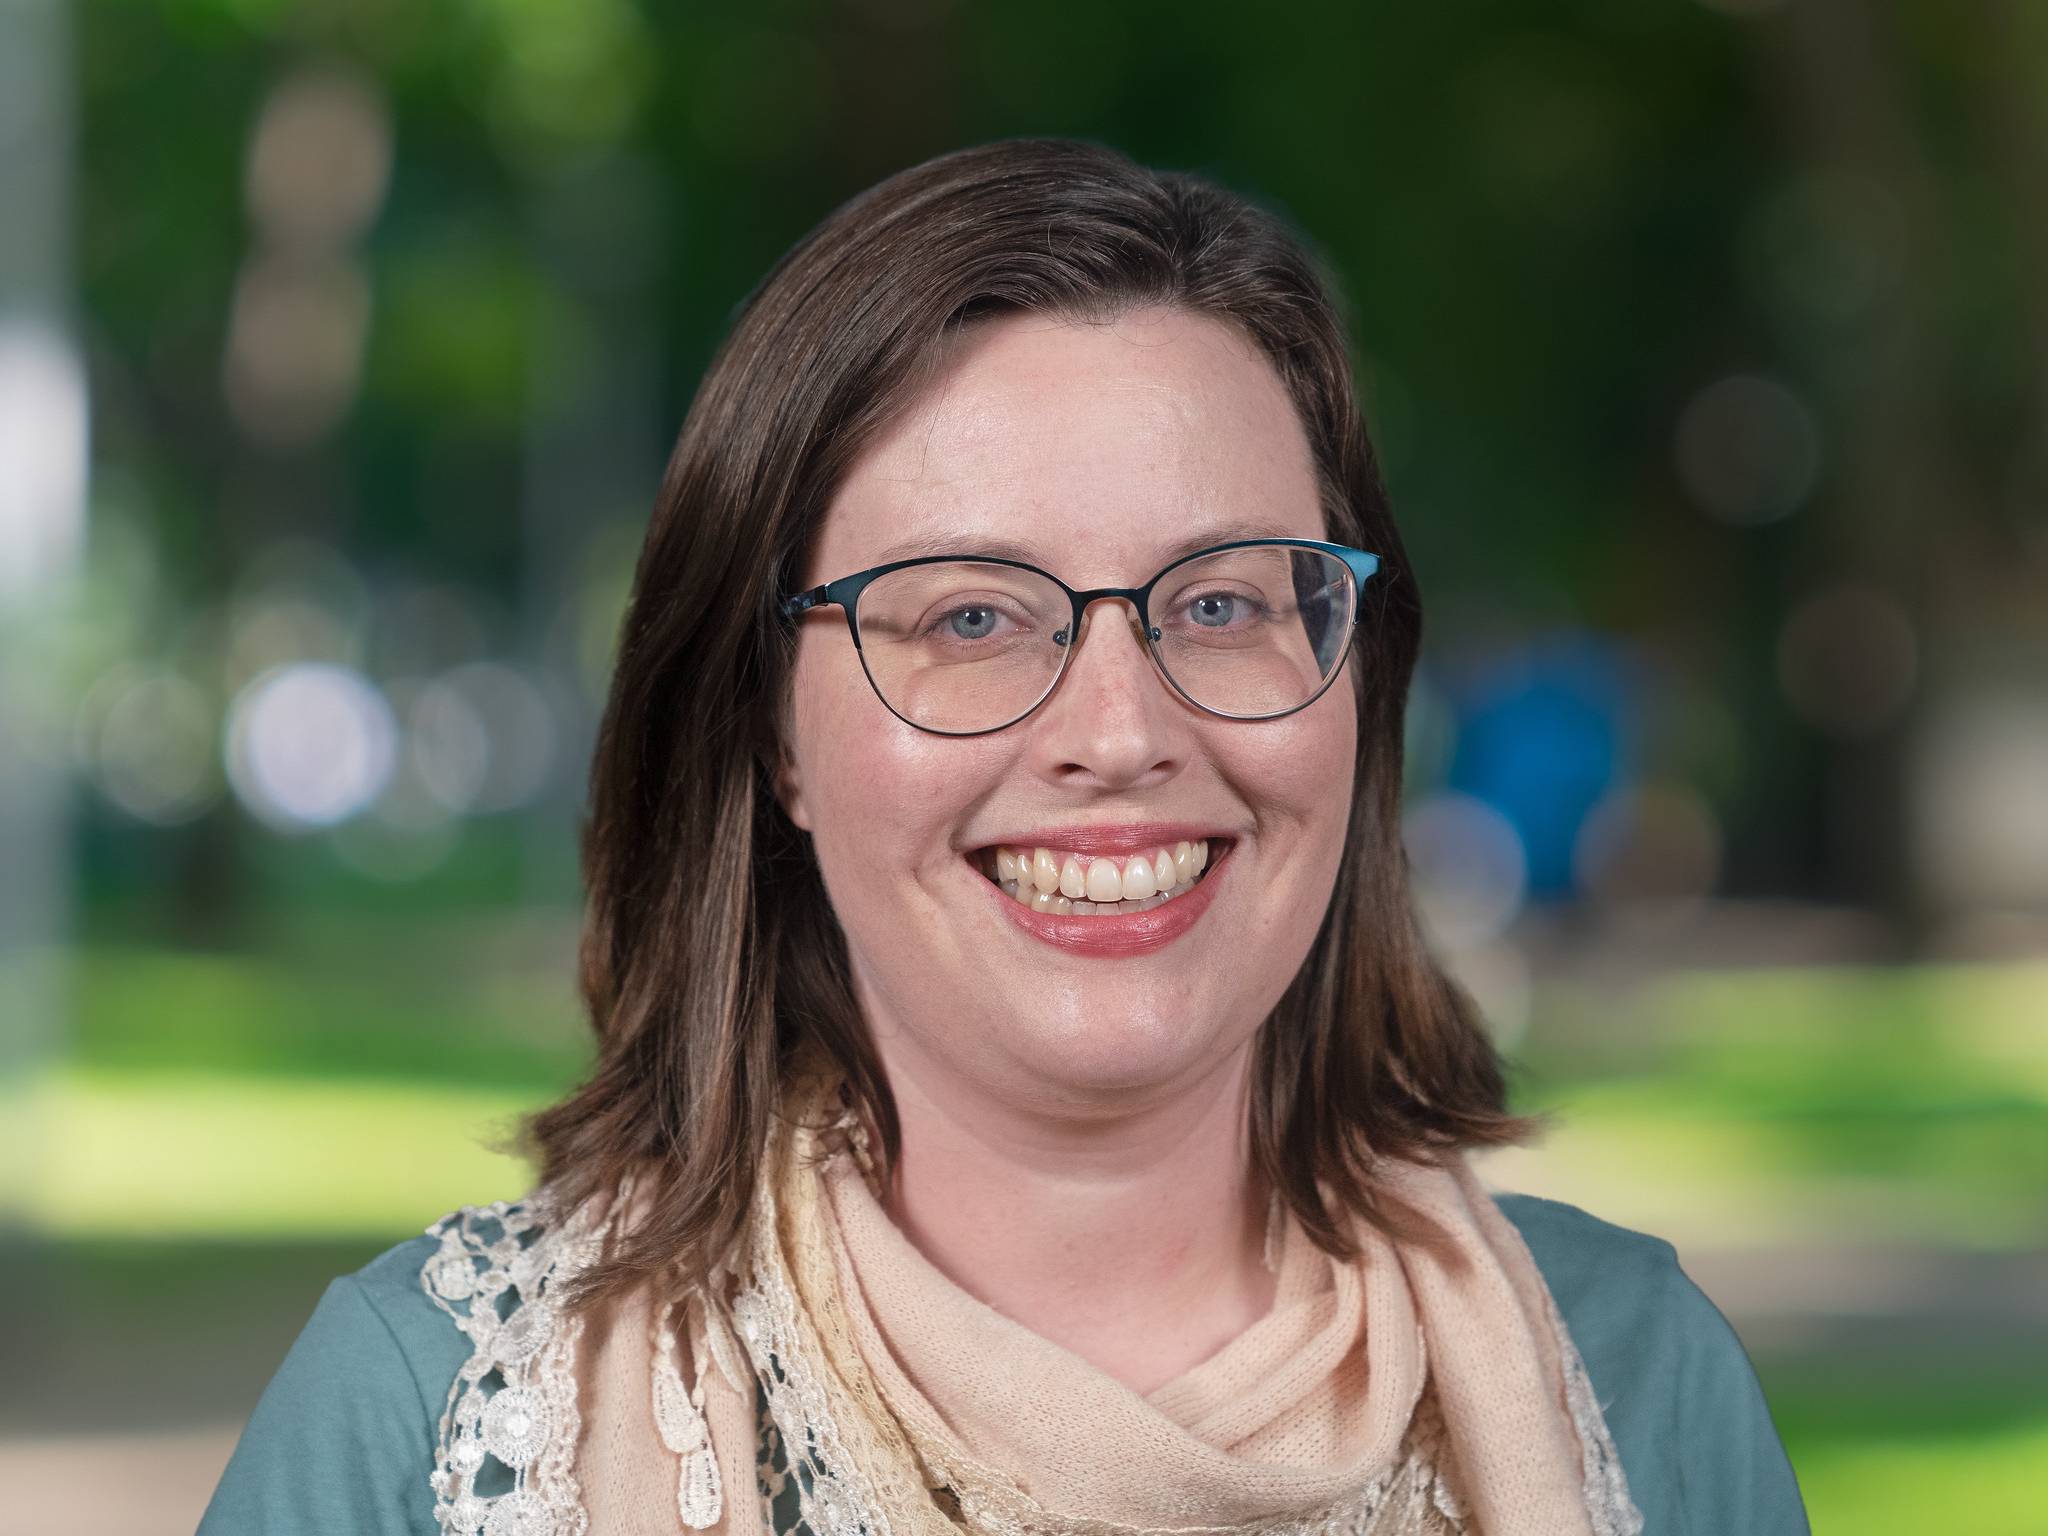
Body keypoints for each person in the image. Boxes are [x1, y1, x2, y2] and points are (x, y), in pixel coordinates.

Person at [196, 136, 1810, 1536]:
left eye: (1227, 600)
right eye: (972, 614)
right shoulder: (429, 1432)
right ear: (772, 729)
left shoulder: (1638, 1386)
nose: (1119, 733)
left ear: (1353, 680)